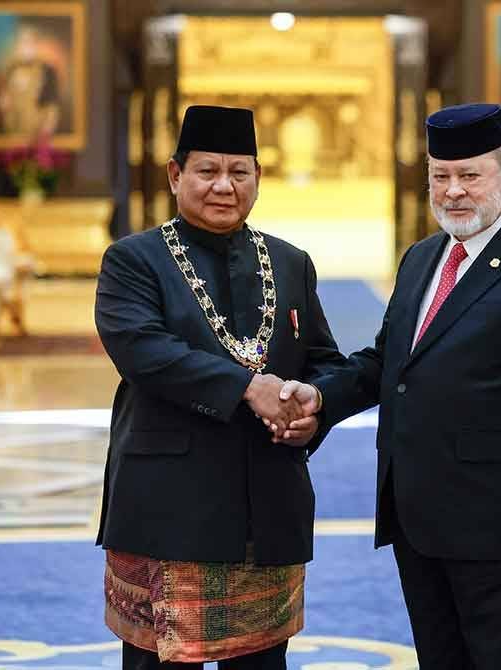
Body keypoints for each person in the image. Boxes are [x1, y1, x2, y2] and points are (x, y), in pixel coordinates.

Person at [274, 103, 501, 669]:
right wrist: (321, 397)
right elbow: (388, 363)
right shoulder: (423, 257)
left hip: (497, 522)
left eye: (470, 175)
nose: (453, 191)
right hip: (416, 515)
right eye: (440, 176)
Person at [94, 105, 343, 669]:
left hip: (266, 503)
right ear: (175, 175)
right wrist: (248, 388)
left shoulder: (291, 262)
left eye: (239, 172)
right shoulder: (134, 261)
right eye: (207, 171)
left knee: (261, 662)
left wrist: (314, 409)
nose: (224, 186)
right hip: (168, 506)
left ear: (258, 177)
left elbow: (324, 361)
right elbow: (144, 352)